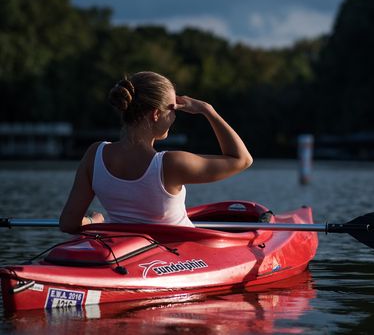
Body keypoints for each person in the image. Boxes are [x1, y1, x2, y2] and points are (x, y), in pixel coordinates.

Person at [59, 71, 253, 233]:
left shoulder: (95, 154)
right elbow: (242, 159)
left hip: (127, 254)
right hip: (177, 259)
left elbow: (68, 224)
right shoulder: (171, 164)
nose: (175, 116)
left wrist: (94, 222)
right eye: (173, 109)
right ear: (156, 114)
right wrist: (207, 110)